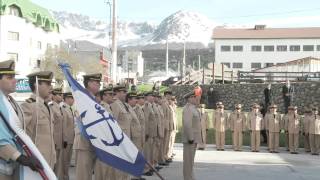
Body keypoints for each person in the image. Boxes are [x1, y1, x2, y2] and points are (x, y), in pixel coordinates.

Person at [0, 60, 42, 180]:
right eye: (9, 77)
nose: (15, 80)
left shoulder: (10, 101)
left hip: (13, 166)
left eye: (14, 77)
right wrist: (21, 158)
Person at [21, 71, 56, 168]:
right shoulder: (28, 106)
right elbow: (20, 135)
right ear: (36, 84)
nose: (51, 87)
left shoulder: (46, 105)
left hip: (49, 159)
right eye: (48, 84)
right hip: (36, 161)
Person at [73, 73, 101, 180]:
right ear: (89, 83)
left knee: (88, 174)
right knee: (83, 175)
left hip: (93, 142)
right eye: (96, 82)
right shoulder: (81, 98)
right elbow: (82, 119)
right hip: (83, 142)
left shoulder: (94, 99)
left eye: (99, 82)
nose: (99, 85)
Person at [110, 85, 132, 179]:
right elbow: (113, 123)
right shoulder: (115, 104)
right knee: (119, 168)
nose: (125, 94)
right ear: (117, 93)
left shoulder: (124, 104)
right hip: (120, 140)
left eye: (125, 92)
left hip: (126, 139)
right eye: (123, 92)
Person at [94, 87, 114, 180]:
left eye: (112, 94)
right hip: (103, 142)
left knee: (107, 169)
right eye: (110, 94)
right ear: (104, 96)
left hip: (109, 142)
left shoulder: (108, 106)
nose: (112, 96)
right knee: (102, 169)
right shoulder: (100, 106)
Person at [182, 91, 202, 180]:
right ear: (189, 99)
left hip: (194, 138)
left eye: (196, 97)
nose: (196, 98)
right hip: (190, 139)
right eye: (194, 97)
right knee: (188, 161)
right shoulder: (188, 109)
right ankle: (187, 178)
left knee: (191, 161)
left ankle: (190, 177)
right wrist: (190, 138)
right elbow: (187, 124)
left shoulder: (193, 108)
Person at [50, 87, 65, 179]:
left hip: (60, 141)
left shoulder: (59, 107)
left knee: (58, 165)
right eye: (59, 94)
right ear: (53, 96)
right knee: (53, 165)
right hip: (54, 141)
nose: (61, 96)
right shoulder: (51, 106)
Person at [61, 92, 75, 180]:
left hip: (70, 139)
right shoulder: (63, 108)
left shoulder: (69, 108)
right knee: (64, 160)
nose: (73, 100)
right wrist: (65, 139)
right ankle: (64, 177)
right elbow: (63, 126)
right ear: (67, 99)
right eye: (71, 98)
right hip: (66, 140)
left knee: (67, 160)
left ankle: (65, 176)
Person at [143, 92, 157, 176]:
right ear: (146, 97)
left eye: (153, 96)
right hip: (148, 133)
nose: (153, 97)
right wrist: (147, 132)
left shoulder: (151, 105)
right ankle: (145, 169)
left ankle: (150, 166)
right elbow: (146, 120)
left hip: (152, 133)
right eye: (151, 96)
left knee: (151, 151)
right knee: (147, 152)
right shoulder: (146, 106)